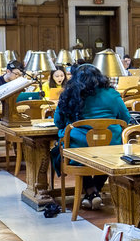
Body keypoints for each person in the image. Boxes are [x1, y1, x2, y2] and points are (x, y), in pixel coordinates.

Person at [53, 64, 132, 210]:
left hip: (78, 147)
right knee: (106, 159)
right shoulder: (112, 94)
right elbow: (125, 119)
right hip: (111, 146)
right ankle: (94, 192)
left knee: (71, 155)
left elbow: (58, 122)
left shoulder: (69, 94)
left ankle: (91, 192)